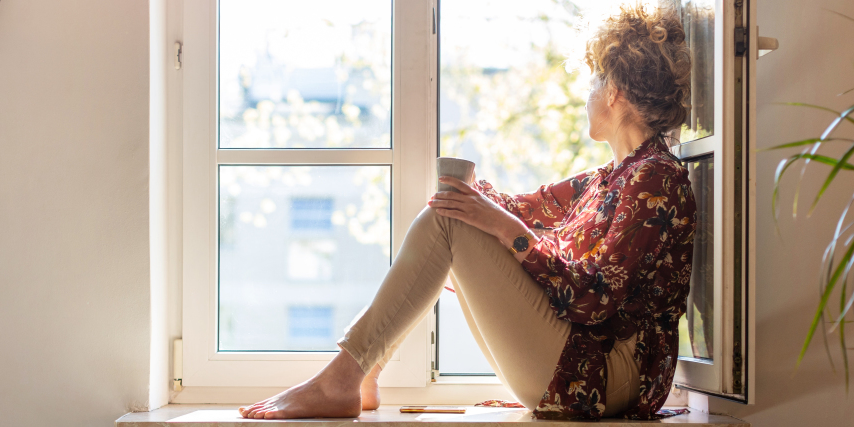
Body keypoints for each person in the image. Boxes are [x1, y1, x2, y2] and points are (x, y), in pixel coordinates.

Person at [239, 3, 696, 421]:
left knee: (450, 221)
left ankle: (346, 377)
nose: (586, 96)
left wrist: (498, 225)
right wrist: (467, 196)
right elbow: (519, 207)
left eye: (592, 82)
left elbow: (592, 297)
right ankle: (363, 372)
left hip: (606, 378)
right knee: (453, 217)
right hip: (582, 365)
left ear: (614, 91)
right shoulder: (610, 177)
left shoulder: (654, 178)